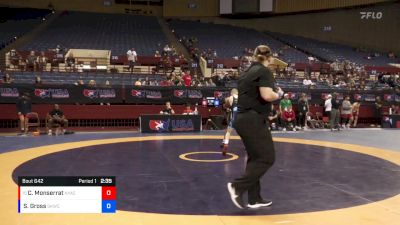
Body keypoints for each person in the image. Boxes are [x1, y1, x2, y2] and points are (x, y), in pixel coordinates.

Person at [227, 45, 284, 209]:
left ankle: (254, 198)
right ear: (270, 58)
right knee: (267, 158)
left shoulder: (246, 72)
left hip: (243, 119)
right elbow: (267, 95)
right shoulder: (264, 71)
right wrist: (279, 94)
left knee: (255, 158)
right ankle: (237, 186)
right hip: (253, 119)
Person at [220, 88, 238, 155]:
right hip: (243, 118)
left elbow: (225, 106)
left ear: (231, 93)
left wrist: (228, 107)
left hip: (235, 117)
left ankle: (226, 143)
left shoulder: (230, 98)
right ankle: (247, 146)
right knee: (245, 133)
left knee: (228, 131)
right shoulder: (243, 98)